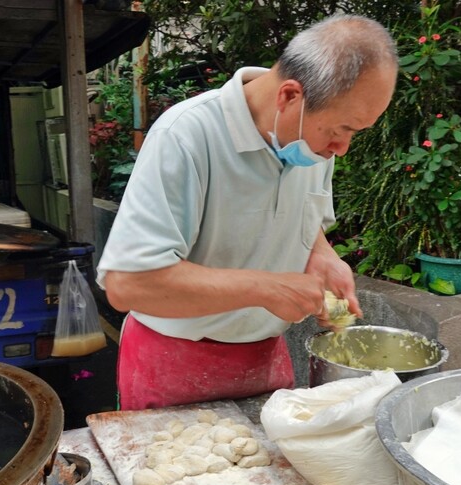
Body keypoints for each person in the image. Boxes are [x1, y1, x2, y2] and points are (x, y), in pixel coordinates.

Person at [96, 14, 398, 410]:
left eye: (355, 133)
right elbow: (128, 284)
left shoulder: (313, 142)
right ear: (289, 97)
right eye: (340, 130)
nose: (342, 148)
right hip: (173, 362)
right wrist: (267, 288)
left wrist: (322, 256)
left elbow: (304, 217)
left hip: (265, 358)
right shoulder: (186, 135)